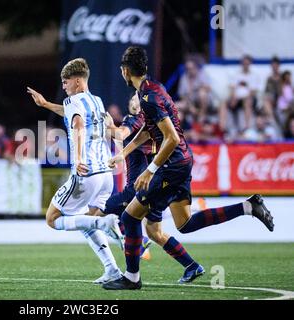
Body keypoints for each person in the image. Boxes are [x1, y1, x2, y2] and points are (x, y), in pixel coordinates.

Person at [102, 46, 274, 290]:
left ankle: (131, 278)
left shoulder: (148, 98)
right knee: (185, 223)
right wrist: (123, 153)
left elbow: (170, 138)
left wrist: (150, 170)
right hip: (182, 160)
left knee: (130, 217)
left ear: (125, 71)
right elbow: (148, 131)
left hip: (171, 165)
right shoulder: (154, 89)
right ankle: (248, 206)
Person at [27, 58, 123, 284]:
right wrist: (46, 104)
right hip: (105, 176)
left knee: (52, 218)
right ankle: (112, 270)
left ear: (78, 82)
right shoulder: (97, 101)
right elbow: (71, 113)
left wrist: (78, 157)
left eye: (66, 81)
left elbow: (77, 125)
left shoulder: (73, 101)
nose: (63, 86)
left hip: (86, 173)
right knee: (85, 223)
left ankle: (104, 223)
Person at [104, 94, 207, 276]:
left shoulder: (136, 119)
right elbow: (122, 138)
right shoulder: (148, 121)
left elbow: (121, 134)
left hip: (140, 185)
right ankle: (191, 265)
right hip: (154, 182)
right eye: (133, 98)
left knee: (106, 208)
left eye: (136, 98)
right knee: (155, 232)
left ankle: (132, 258)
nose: (134, 100)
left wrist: (108, 126)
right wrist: (111, 129)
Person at [219, 55, 260, 140]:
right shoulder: (236, 74)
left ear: (250, 63)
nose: (245, 64)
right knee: (223, 103)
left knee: (247, 100)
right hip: (237, 98)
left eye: (247, 63)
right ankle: (222, 128)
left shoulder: (254, 76)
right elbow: (233, 88)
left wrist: (241, 97)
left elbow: (253, 92)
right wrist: (234, 97)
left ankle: (247, 127)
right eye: (244, 63)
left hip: (248, 98)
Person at [177, 58, 212, 122]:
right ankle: (177, 129)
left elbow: (209, 88)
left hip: (202, 101)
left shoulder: (201, 74)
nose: (189, 70)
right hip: (189, 102)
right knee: (175, 106)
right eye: (187, 69)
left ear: (195, 67)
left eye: (191, 68)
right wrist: (190, 107)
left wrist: (198, 87)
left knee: (202, 93)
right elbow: (181, 95)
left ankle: (202, 116)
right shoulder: (184, 78)